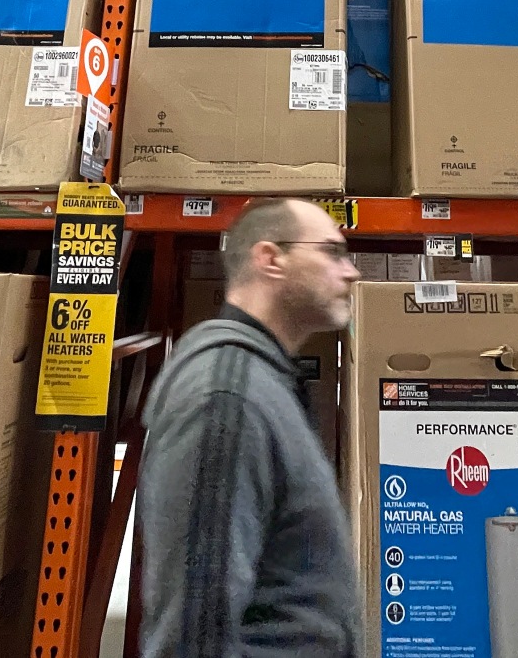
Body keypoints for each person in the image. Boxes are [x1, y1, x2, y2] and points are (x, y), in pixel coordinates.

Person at [137, 197, 362, 658]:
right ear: (270, 259)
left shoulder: (263, 380)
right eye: (332, 253)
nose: (351, 271)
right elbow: (194, 631)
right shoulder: (227, 399)